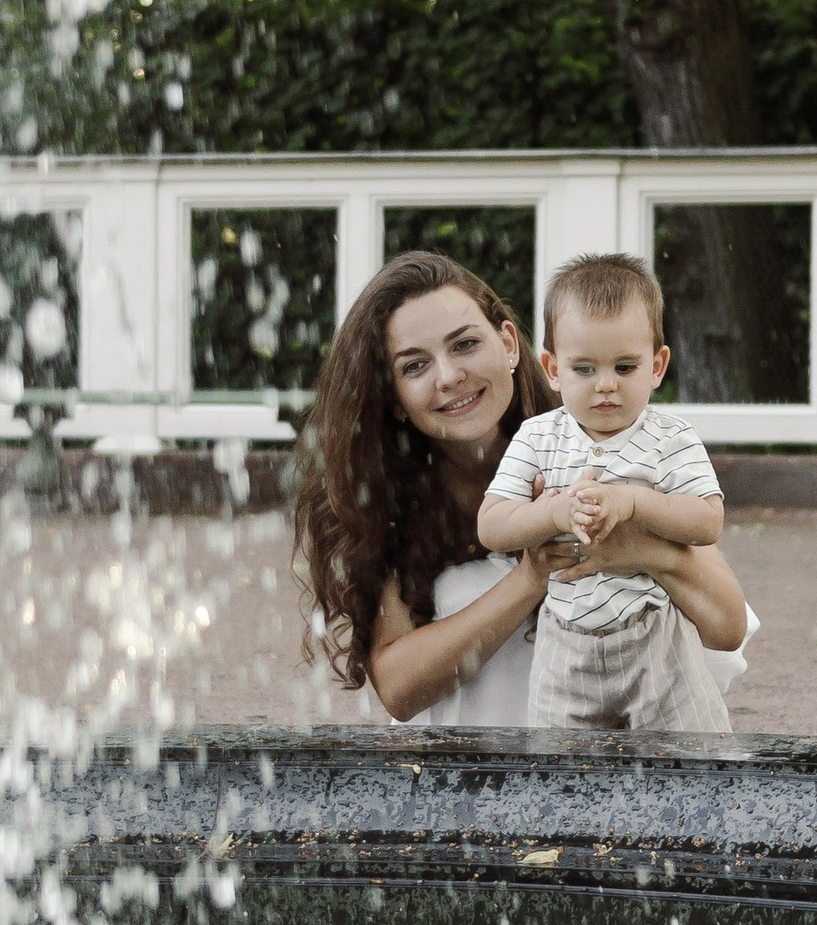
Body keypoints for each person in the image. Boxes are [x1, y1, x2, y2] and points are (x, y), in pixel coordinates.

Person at [297, 248, 752, 727]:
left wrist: (642, 551)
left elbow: (727, 627)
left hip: (625, 752)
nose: (449, 377)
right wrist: (532, 576)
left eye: (465, 345)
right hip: (469, 779)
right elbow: (398, 689)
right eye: (414, 366)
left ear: (509, 344)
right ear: (392, 396)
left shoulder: (597, 444)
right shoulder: (388, 499)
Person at [478, 252, 731, 737]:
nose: (607, 385)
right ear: (552, 369)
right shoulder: (538, 437)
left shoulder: (671, 436)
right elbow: (492, 524)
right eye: (585, 369)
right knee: (560, 770)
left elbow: (707, 521)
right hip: (565, 642)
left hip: (655, 633)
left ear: (657, 367)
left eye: (625, 366)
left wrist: (634, 502)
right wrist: (553, 510)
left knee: (696, 756)